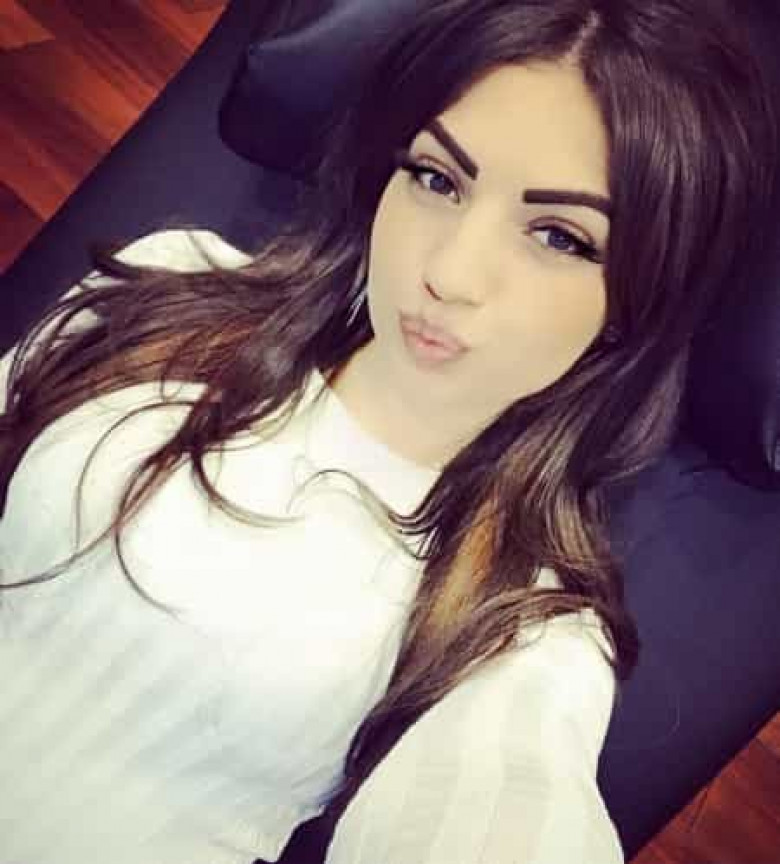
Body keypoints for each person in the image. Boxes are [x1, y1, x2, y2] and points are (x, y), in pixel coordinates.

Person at [0, 1, 775, 862]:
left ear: (637, 300)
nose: (449, 273)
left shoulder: (515, 628)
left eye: (558, 236)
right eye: (438, 180)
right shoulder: (170, 283)